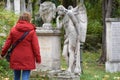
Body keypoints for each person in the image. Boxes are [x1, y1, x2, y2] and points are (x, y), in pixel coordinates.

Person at [0, 12, 41, 80]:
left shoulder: (13, 30)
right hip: (28, 57)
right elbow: (35, 46)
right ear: (29, 19)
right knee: (25, 76)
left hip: (16, 56)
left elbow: (7, 44)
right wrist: (38, 58)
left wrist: (2, 54)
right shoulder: (32, 31)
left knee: (16, 77)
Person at [56, 5, 81, 74]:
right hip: (67, 36)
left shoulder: (69, 13)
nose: (58, 13)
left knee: (71, 50)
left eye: (58, 12)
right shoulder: (63, 19)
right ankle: (71, 67)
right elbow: (59, 27)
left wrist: (79, 35)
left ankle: (69, 69)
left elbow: (76, 23)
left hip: (73, 33)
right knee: (64, 54)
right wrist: (57, 19)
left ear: (61, 9)